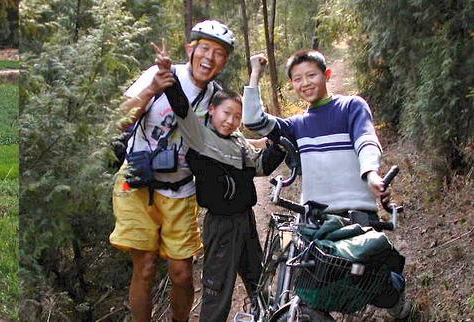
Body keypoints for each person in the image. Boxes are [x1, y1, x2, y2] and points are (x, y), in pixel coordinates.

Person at [243, 50, 412, 318]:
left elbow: (366, 141)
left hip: (356, 216)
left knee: (367, 283)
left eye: (311, 75)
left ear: (326, 75)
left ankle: (396, 294)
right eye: (297, 79)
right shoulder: (296, 125)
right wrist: (255, 74)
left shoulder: (351, 107)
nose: (305, 83)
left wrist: (370, 173)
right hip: (316, 221)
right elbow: (254, 121)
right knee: (314, 286)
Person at [109, 20, 235, 322]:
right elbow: (118, 120)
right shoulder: (161, 74)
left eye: (218, 53)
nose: (209, 58)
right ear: (190, 49)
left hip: (181, 189)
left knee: (181, 273)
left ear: (224, 61)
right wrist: (153, 89)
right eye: (204, 48)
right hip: (136, 183)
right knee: (146, 266)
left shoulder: (216, 98)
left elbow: (223, 138)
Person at [150, 41, 285, 320]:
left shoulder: (237, 140)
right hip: (221, 225)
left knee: (258, 280)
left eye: (237, 117)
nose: (231, 121)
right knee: (217, 291)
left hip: (245, 220)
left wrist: (277, 147)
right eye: (226, 113)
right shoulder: (198, 135)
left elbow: (259, 166)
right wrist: (169, 76)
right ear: (212, 110)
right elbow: (182, 108)